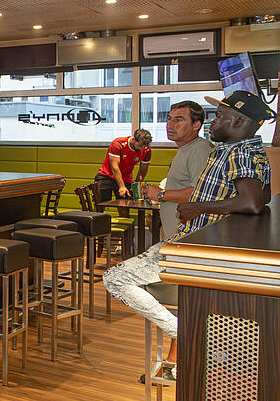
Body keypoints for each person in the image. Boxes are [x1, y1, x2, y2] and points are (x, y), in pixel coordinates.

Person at [104, 90, 273, 379]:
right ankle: (185, 351)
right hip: (192, 242)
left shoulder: (240, 151)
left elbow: (252, 202)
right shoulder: (237, 150)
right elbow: (265, 195)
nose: (213, 122)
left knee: (114, 279)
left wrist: (197, 206)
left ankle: (190, 337)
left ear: (239, 121)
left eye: (220, 116)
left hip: (196, 248)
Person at [141, 101, 213, 240]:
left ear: (196, 125)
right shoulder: (185, 148)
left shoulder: (200, 150)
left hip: (189, 238)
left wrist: (161, 195)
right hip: (177, 235)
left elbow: (200, 194)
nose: (171, 124)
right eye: (169, 119)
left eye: (179, 120)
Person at [95, 128, 153, 216]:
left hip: (126, 178)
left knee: (124, 207)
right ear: (133, 139)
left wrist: (136, 185)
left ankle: (126, 228)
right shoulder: (118, 144)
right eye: (140, 145)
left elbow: (143, 170)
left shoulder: (146, 150)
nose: (142, 149)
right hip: (107, 176)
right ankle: (93, 227)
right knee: (101, 204)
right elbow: (115, 167)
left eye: (144, 146)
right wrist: (121, 186)